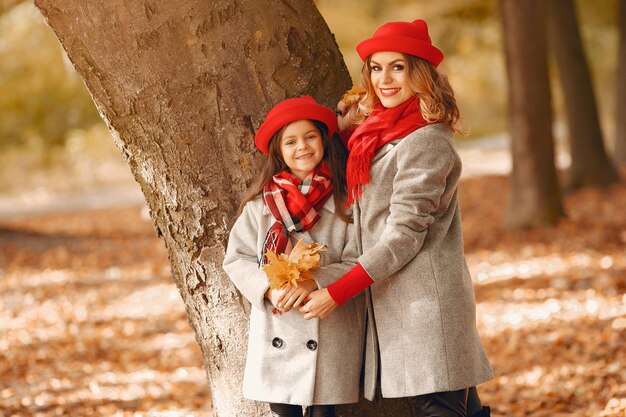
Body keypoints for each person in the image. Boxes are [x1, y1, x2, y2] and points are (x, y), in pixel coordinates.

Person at [300, 19, 493, 416]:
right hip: (395, 297)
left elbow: (404, 235)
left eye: (398, 67)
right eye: (376, 67)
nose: (384, 79)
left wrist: (336, 292)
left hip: (425, 301)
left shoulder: (426, 141)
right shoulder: (375, 134)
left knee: (438, 406)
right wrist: (340, 128)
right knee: (461, 407)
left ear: (419, 73)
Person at [222, 96, 365, 417]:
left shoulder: (345, 204)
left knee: (324, 412)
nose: (302, 146)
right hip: (278, 325)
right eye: (291, 141)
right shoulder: (260, 207)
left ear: (324, 142)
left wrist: (317, 280)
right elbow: (236, 259)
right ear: (279, 152)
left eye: (310, 137)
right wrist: (268, 289)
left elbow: (360, 259)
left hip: (328, 324)